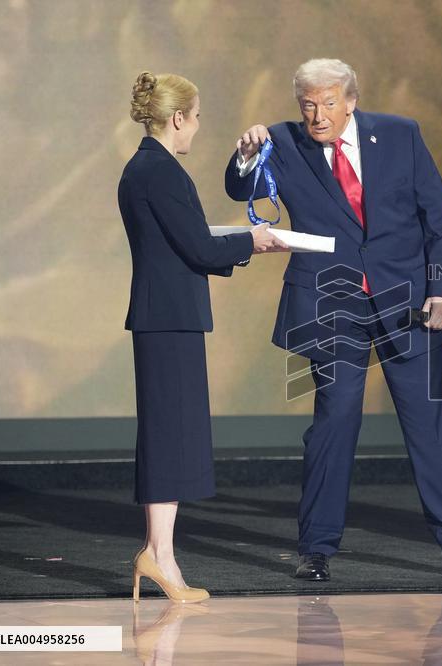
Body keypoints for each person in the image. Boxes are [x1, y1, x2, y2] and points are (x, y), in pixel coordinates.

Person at [224, 58, 442, 582]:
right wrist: (246, 156)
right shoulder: (282, 142)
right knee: (335, 421)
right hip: (333, 305)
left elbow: (437, 217)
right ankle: (317, 548)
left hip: (408, 302)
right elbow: (242, 191)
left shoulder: (400, 135)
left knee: (431, 427)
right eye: (308, 104)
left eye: (328, 103)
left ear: (351, 100)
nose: (317, 115)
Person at [119, 71, 282, 602]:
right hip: (167, 318)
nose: (198, 127)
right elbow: (197, 248)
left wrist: (238, 240)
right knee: (169, 434)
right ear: (178, 118)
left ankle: (159, 553)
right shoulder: (158, 171)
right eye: (196, 117)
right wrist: (252, 241)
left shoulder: (148, 168)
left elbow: (185, 242)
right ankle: (158, 556)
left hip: (169, 317)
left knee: (172, 433)